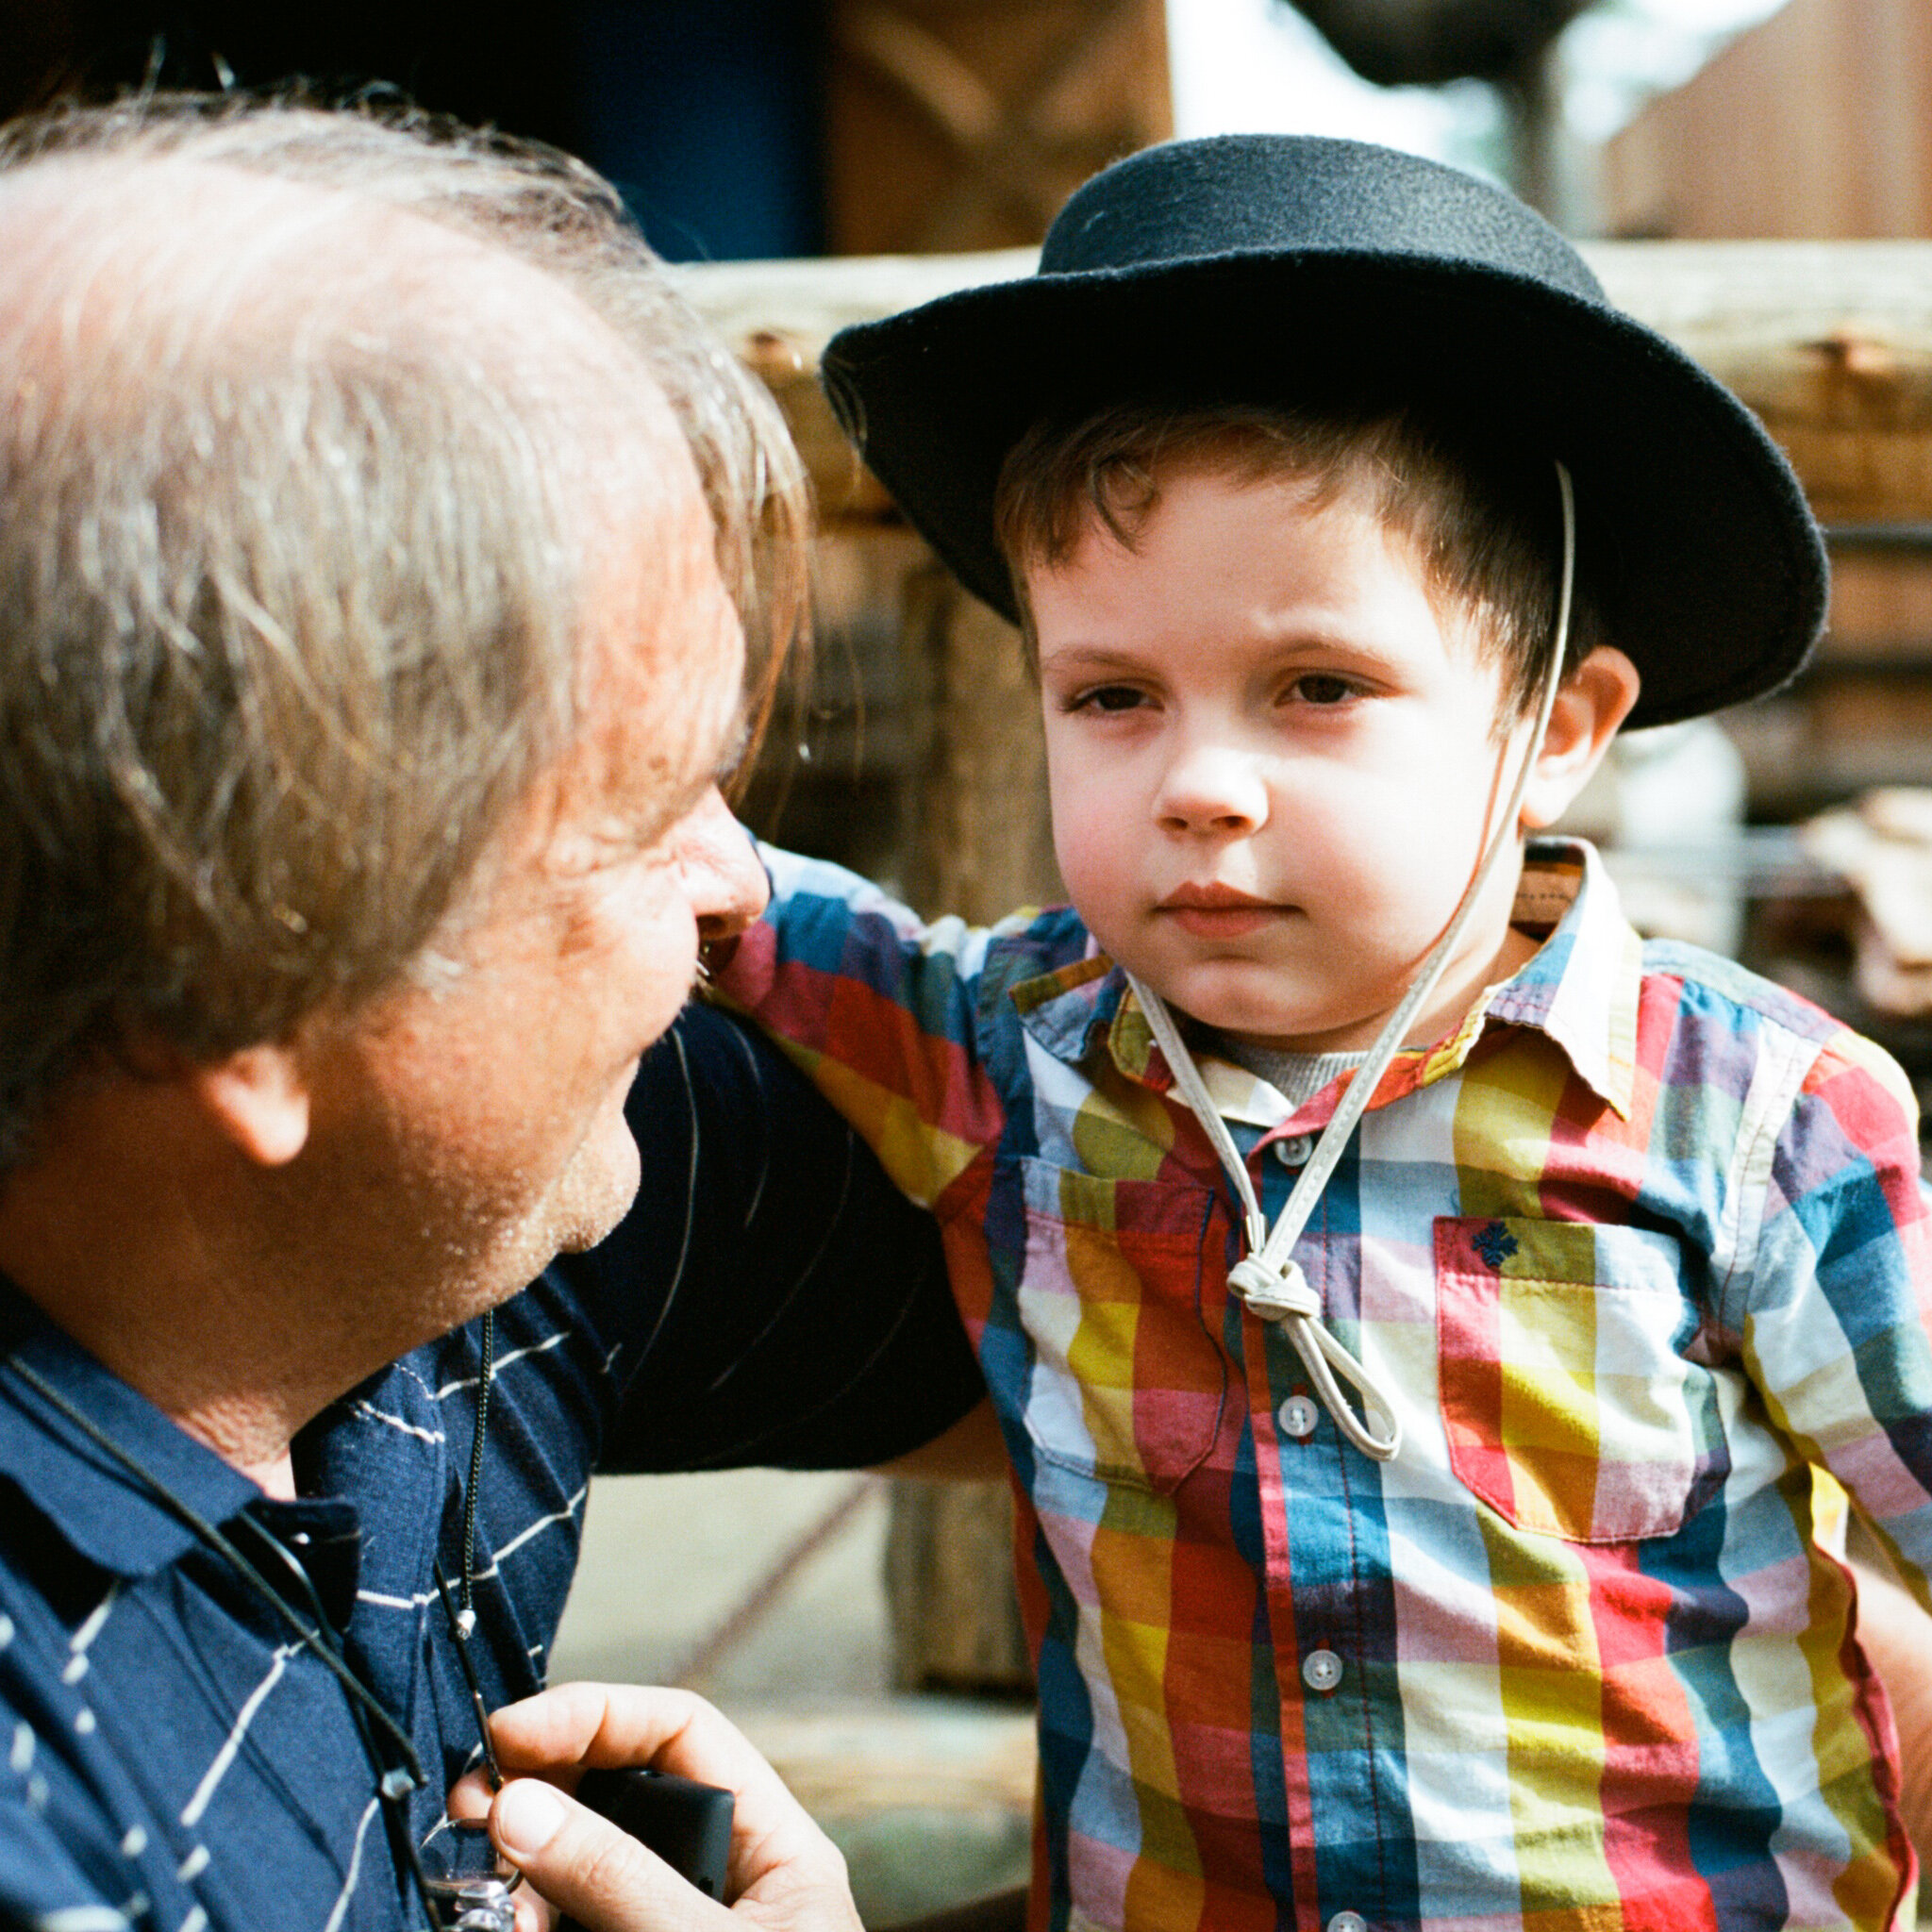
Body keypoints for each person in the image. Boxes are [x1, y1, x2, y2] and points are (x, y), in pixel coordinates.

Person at [715, 135, 1932, 1931]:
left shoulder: (1759, 1122)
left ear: (1559, 725)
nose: (1203, 785)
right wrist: (671, 855)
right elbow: (771, 917)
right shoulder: (1019, 1054)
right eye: (1112, 697)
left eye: (1319, 689)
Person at [0, 96, 989, 1932]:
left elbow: (1198, 1330)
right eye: (639, 816)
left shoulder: (484, 1177)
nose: (734, 886)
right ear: (249, 999)